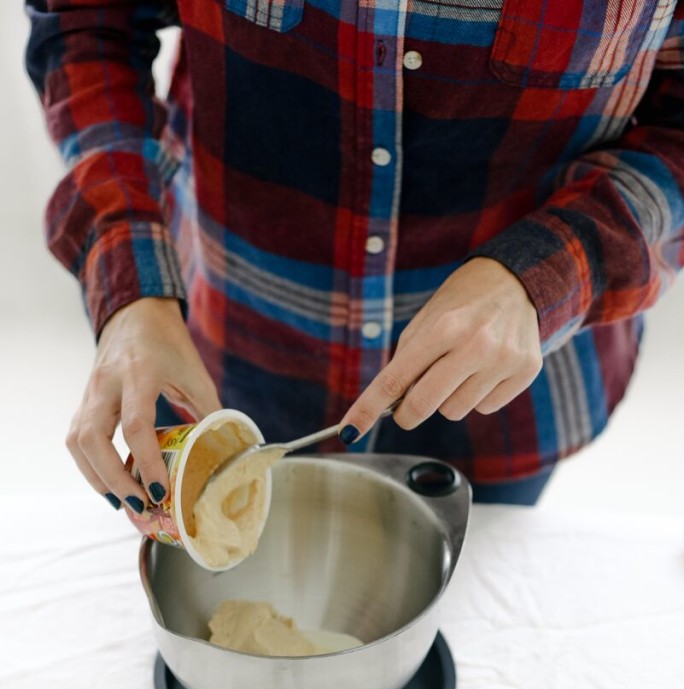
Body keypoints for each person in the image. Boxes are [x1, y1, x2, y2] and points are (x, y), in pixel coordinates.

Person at [25, 1, 684, 510]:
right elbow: (86, 23)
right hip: (223, 349)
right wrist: (130, 282)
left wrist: (548, 275)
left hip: (501, 408)